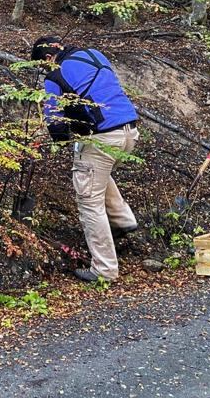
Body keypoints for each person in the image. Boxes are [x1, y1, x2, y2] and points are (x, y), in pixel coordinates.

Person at [31, 36, 140, 284]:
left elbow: (55, 121)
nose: (43, 71)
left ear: (48, 58)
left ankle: (104, 270)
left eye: (41, 65)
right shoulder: (94, 54)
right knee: (98, 174)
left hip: (100, 136)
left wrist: (60, 142)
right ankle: (123, 220)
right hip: (129, 132)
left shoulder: (54, 76)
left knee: (89, 200)